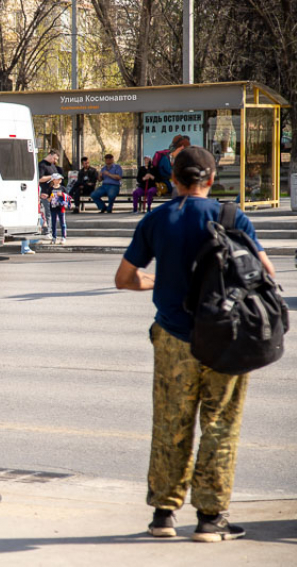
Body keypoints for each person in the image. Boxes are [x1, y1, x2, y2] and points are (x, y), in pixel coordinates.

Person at [114, 146, 275, 543]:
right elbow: (265, 273)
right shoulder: (231, 216)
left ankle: (163, 515)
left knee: (171, 423)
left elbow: (124, 278)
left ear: (174, 179)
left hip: (172, 336)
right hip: (225, 339)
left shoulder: (156, 219)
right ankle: (210, 518)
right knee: (220, 424)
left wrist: (157, 282)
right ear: (211, 178)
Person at [38, 149, 62, 233]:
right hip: (45, 192)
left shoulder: (52, 165)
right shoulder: (42, 165)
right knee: (48, 213)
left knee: (54, 213)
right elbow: (40, 179)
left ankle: (51, 229)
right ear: (51, 155)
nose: (55, 161)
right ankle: (48, 230)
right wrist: (51, 177)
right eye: (54, 159)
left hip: (53, 192)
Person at [48, 173, 71, 244]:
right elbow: (48, 200)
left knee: (62, 223)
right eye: (58, 179)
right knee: (53, 223)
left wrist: (62, 195)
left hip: (61, 208)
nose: (59, 181)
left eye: (60, 179)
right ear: (53, 180)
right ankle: (54, 237)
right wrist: (51, 198)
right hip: (53, 208)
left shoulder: (62, 188)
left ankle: (63, 237)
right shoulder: (50, 189)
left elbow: (68, 197)